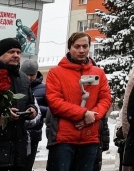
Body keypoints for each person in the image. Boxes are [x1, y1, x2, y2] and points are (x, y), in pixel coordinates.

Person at [45, 32, 112, 171]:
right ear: (69, 48)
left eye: (85, 46)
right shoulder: (56, 72)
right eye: (77, 46)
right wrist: (83, 114)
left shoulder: (98, 72)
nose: (81, 50)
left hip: (90, 137)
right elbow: (55, 102)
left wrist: (91, 117)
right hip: (63, 138)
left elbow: (105, 99)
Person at [0, 39, 39, 171]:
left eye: (18, 52)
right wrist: (3, 114)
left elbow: (30, 102)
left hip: (18, 147)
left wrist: (31, 110)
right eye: (11, 52)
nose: (16, 55)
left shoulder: (22, 77)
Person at [20, 60, 47, 171]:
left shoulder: (44, 88)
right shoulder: (18, 85)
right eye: (27, 74)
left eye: (32, 75)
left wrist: (37, 110)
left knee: (28, 165)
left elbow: (51, 109)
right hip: (20, 131)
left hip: (34, 132)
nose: (30, 77)